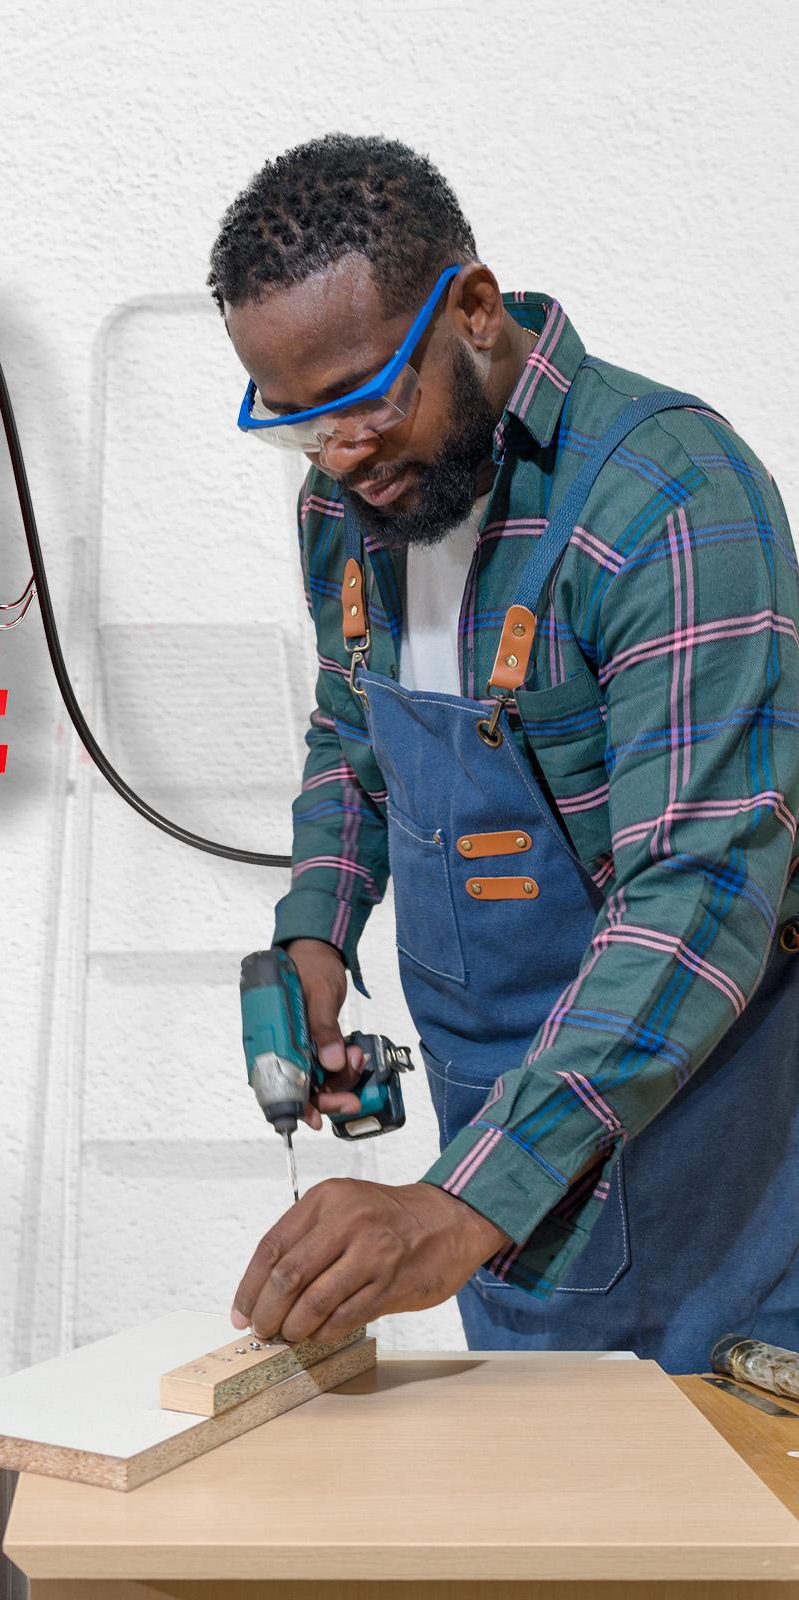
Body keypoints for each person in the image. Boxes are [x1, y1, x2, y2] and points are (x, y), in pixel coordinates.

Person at [213, 134, 799, 1370]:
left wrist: (450, 1208)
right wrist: (315, 929)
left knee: (717, 1519)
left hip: (706, 1128)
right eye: (299, 428)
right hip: (490, 1125)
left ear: (473, 310)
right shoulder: (350, 501)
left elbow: (699, 898)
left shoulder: (668, 500)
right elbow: (350, 724)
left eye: (370, 400)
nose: (344, 459)